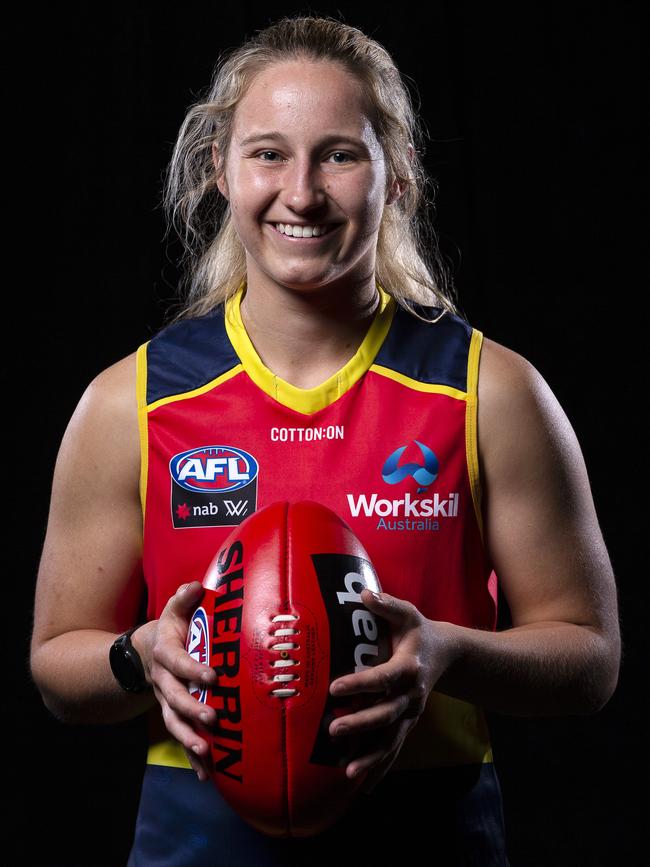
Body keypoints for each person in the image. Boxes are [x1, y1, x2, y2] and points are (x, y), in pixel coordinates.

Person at [29, 13, 621, 867]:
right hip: (199, 838)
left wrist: (446, 654)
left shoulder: (490, 390)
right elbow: (57, 663)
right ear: (220, 173)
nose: (301, 193)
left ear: (399, 176)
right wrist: (138, 656)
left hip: (429, 833)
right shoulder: (132, 401)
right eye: (268, 152)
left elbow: (590, 659)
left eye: (339, 155)